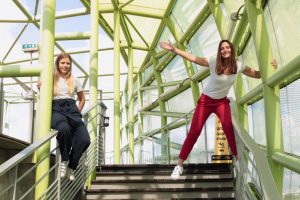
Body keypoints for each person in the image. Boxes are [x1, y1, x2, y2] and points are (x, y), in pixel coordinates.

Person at [159, 40, 277, 180]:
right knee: (194, 132)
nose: (225, 50)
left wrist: (270, 68)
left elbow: (256, 74)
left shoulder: (238, 66)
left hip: (221, 102)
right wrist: (175, 50)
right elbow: (194, 58)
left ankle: (237, 160)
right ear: (219, 51)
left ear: (232, 50)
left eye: (227, 47)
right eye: (222, 48)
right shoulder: (214, 61)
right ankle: (179, 165)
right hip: (206, 101)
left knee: (228, 127)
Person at [37, 53, 90, 181]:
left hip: (72, 109)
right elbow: (42, 92)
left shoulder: (75, 80)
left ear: (70, 65)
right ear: (57, 64)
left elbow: (82, 99)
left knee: (84, 139)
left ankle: (71, 166)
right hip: (56, 109)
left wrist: (77, 111)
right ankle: (64, 161)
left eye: (67, 63)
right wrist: (40, 86)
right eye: (62, 63)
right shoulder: (50, 78)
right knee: (63, 129)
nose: (65, 65)